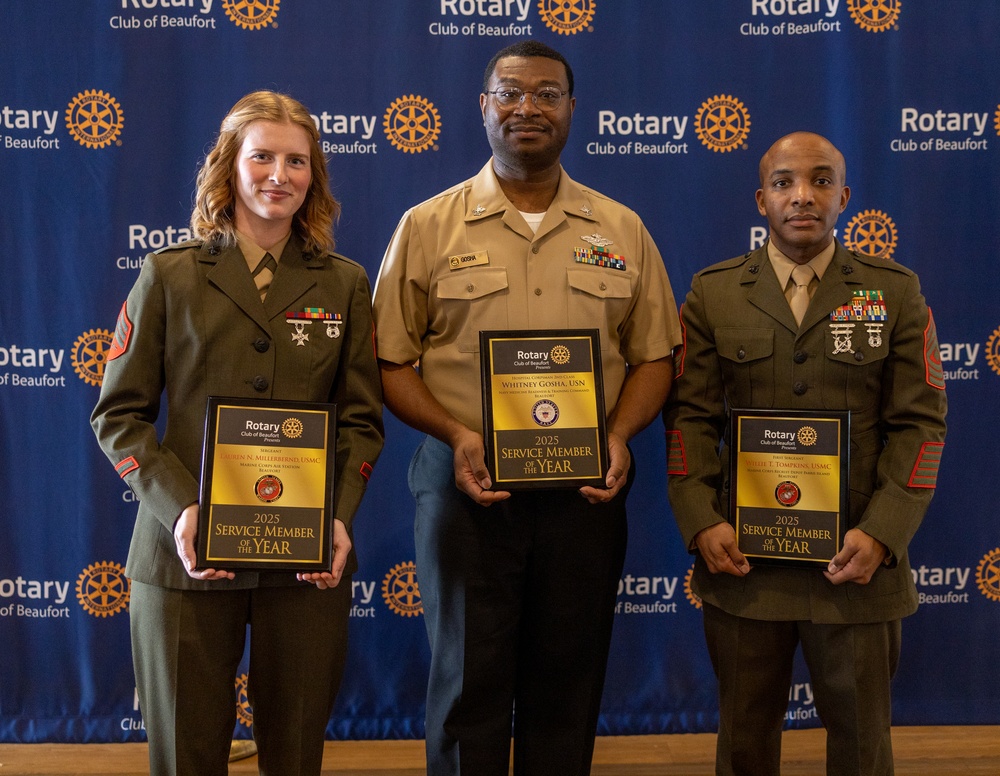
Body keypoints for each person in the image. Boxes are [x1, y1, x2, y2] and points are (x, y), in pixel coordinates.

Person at [372, 40, 682, 776]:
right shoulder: (428, 226)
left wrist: (620, 433)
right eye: (510, 93)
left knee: (568, 682)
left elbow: (655, 357)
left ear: (573, 110)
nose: (527, 108)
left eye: (547, 94)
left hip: (586, 486)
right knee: (465, 682)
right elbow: (389, 361)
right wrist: (455, 432)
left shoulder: (622, 229)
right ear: (483, 107)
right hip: (463, 484)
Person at [91, 90, 384, 776]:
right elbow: (119, 416)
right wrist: (180, 511)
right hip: (182, 555)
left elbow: (362, 422)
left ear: (314, 175)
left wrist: (337, 518)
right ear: (228, 167)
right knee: (184, 756)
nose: (278, 175)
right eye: (261, 157)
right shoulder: (169, 274)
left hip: (306, 558)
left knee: (295, 755)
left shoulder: (343, 284)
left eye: (295, 160)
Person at [663, 131, 947, 775]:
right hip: (744, 563)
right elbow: (689, 420)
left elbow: (920, 426)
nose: (803, 197)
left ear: (844, 197)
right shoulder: (714, 293)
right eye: (785, 183)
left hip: (855, 564)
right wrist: (701, 518)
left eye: (821, 181)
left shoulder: (894, 291)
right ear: (760, 199)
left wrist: (882, 533)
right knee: (743, 741)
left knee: (862, 743)